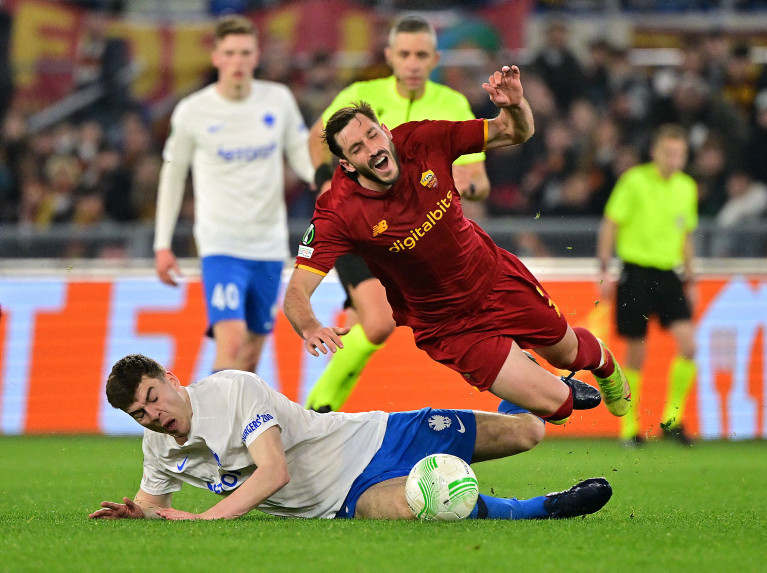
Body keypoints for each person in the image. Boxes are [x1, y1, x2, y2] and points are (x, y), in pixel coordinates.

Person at [283, 65, 630, 431]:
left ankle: (603, 363)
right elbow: (296, 293)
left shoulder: (425, 139)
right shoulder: (338, 211)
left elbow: (514, 131)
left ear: (385, 131)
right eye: (357, 148)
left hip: (494, 279)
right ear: (346, 164)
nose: (372, 149)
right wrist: (309, 326)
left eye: (372, 135)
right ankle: (529, 378)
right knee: (558, 407)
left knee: (569, 352)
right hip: (447, 325)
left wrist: (514, 106)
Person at [89, 354, 612, 521]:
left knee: (528, 433)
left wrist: (202, 520)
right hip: (345, 499)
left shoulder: (232, 391)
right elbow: (150, 506)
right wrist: (142, 514)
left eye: (154, 397)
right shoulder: (157, 448)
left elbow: (274, 472)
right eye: (140, 413)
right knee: (423, 508)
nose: (154, 415)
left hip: (377, 436)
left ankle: (538, 386)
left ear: (173, 379)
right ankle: (541, 509)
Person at [304, 15, 491, 413]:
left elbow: (479, 178)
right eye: (404, 54)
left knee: (369, 326)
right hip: (358, 224)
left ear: (435, 58)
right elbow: (317, 138)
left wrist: (461, 181)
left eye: (421, 55)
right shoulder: (361, 94)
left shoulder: (452, 104)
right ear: (389, 55)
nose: (412, 63)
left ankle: (317, 420)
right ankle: (315, 413)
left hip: (412, 236)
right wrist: (324, 180)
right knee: (378, 321)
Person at [153, 15, 314, 373]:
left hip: (269, 246)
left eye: (245, 52)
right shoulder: (194, 111)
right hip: (221, 245)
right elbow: (173, 175)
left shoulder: (278, 100)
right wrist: (162, 244)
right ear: (216, 57)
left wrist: (322, 178)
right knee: (233, 341)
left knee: (250, 358)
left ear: (257, 56)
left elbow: (299, 153)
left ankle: (228, 423)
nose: (238, 61)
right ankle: (210, 430)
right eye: (230, 53)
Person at [597, 123, 698, 447]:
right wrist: (603, 268)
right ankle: (630, 428)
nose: (674, 159)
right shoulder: (634, 181)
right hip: (636, 272)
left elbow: (686, 236)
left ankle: (672, 418)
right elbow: (610, 224)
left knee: (690, 346)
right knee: (636, 352)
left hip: (669, 274)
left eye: (679, 153)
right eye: (669, 152)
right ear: (655, 152)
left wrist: (691, 278)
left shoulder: (687, 187)